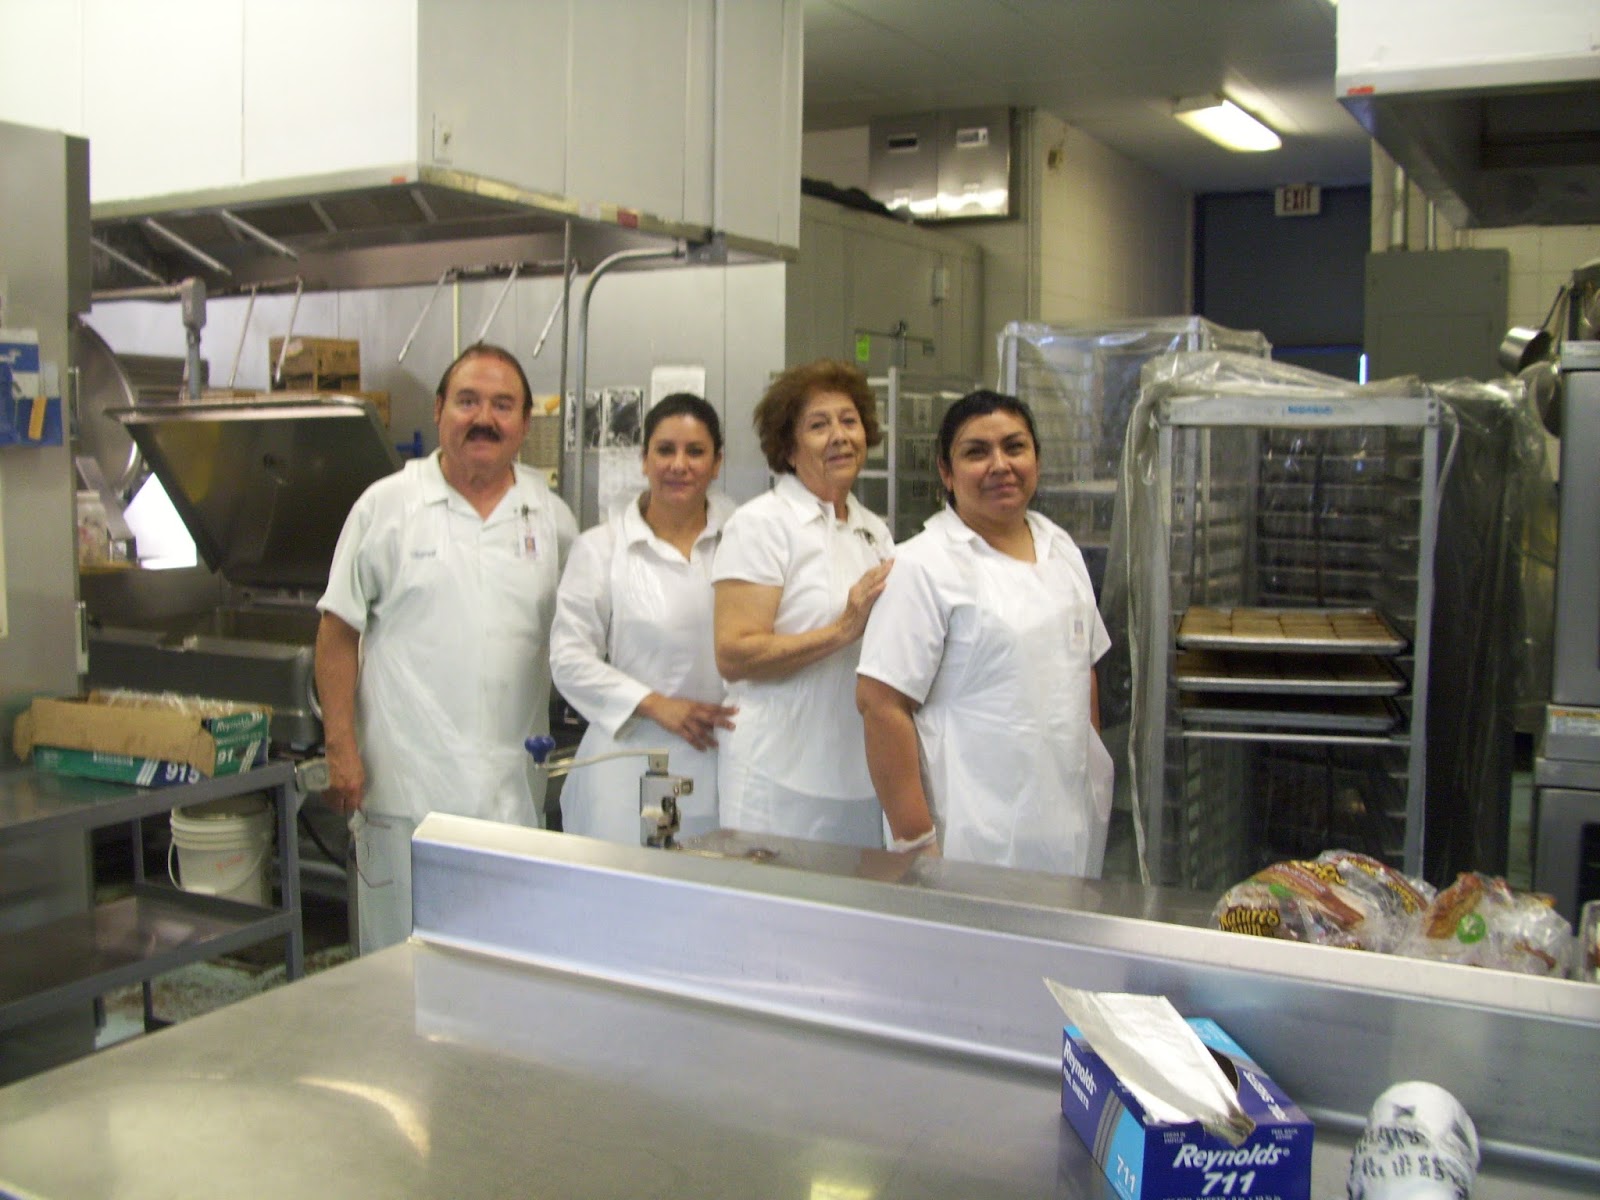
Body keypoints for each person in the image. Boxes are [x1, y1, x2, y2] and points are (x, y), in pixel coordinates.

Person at [315, 342, 577, 953]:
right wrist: (341, 748)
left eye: (502, 405)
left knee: (503, 961)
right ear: (439, 411)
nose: (483, 417)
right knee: (397, 967)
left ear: (523, 423)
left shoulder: (550, 516)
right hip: (404, 784)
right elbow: (336, 634)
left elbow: (581, 636)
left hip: (510, 793)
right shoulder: (387, 506)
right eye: (467, 401)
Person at [856, 389, 1115, 875]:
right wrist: (915, 842)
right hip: (969, 834)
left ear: (1036, 458)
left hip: (1066, 824)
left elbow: (1083, 670)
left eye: (1015, 447)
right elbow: (880, 704)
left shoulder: (1062, 550)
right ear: (947, 473)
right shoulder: (923, 565)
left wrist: (1089, 784)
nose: (1000, 465)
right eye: (976, 452)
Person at [712, 359, 894, 847]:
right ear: (789, 449)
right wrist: (842, 629)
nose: (840, 436)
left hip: (856, 775)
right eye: (819, 425)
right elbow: (734, 653)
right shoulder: (762, 525)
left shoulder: (873, 530)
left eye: (849, 421)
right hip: (775, 777)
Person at [550, 394, 738, 844]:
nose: (679, 464)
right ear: (644, 460)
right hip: (636, 758)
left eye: (696, 452)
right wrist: (655, 703)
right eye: (665, 450)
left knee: (714, 899)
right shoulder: (602, 548)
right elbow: (569, 658)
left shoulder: (745, 541)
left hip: (726, 761)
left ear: (717, 464)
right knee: (642, 889)